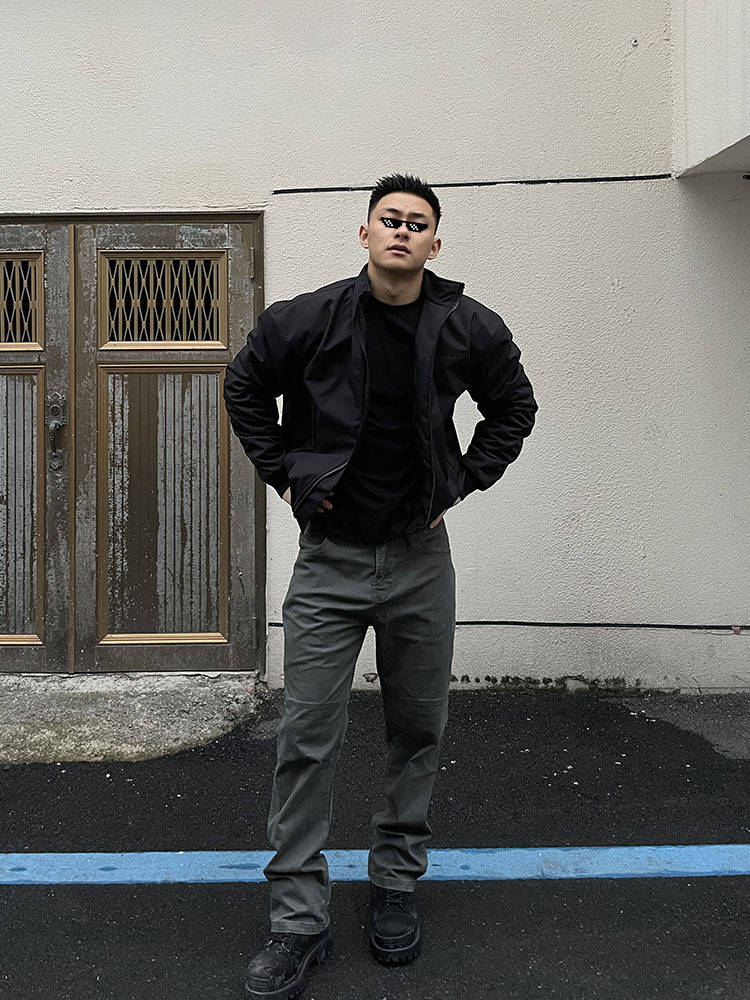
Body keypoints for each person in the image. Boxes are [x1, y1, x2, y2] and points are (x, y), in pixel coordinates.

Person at [224, 173, 537, 999]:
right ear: (364, 233)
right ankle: (298, 920)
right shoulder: (309, 319)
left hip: (418, 562)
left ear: (435, 243)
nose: (401, 231)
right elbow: (244, 385)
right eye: (389, 219)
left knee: (417, 728)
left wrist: (458, 484)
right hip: (329, 562)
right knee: (307, 735)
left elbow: (514, 408)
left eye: (417, 223)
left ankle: (395, 884)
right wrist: (287, 476)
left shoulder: (466, 324)